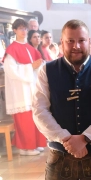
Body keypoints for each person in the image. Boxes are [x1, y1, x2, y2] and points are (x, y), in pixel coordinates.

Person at [32, 19, 91, 180]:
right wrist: (64, 137)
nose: (76, 46)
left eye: (81, 40)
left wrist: (86, 137)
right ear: (62, 42)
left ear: (89, 41)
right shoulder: (47, 70)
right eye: (70, 41)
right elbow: (40, 110)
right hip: (60, 153)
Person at [3, 19, 46, 156]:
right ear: (14, 30)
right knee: (24, 120)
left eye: (25, 29)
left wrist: (39, 66)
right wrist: (30, 67)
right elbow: (11, 70)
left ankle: (33, 144)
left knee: (34, 117)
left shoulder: (29, 48)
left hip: (31, 88)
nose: (24, 31)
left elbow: (37, 69)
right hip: (19, 90)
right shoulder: (12, 49)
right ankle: (25, 147)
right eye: (20, 28)